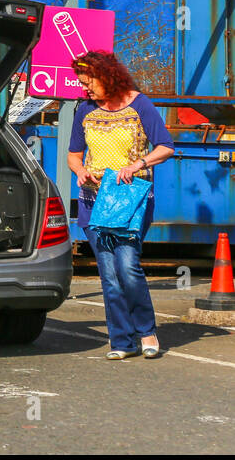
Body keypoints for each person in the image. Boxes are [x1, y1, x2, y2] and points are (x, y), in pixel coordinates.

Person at [66, 50, 175, 360]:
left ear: (107, 77)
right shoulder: (84, 109)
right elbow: (74, 154)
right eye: (82, 83)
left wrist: (138, 163)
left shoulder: (140, 105)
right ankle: (122, 342)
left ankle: (147, 331)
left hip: (130, 203)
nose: (85, 89)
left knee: (127, 266)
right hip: (94, 203)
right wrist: (80, 171)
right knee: (109, 274)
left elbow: (166, 146)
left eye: (89, 83)